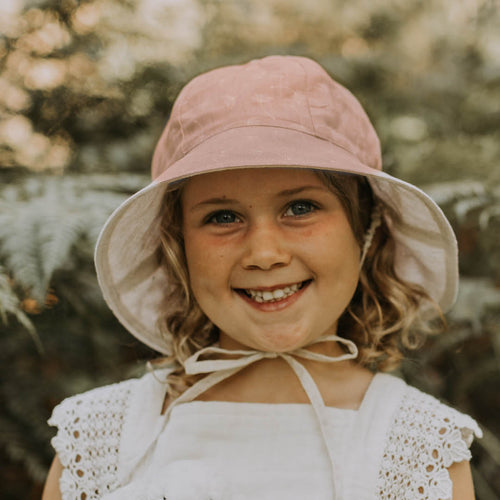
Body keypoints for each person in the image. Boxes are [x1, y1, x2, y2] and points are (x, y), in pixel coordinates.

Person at [42, 55, 481, 500]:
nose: (264, 254)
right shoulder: (99, 440)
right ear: (179, 247)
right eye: (223, 216)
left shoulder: (419, 450)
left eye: (301, 208)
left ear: (367, 230)